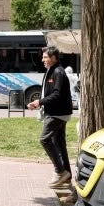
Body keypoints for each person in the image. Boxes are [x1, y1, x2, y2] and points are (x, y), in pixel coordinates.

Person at [26, 45, 73, 187]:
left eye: (45, 57)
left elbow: (57, 94)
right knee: (59, 143)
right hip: (57, 112)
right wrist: (39, 103)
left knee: (44, 139)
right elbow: (49, 93)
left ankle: (60, 171)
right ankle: (67, 175)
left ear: (53, 58)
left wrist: (39, 102)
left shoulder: (58, 72)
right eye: (43, 57)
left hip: (57, 114)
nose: (42, 60)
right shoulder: (51, 70)